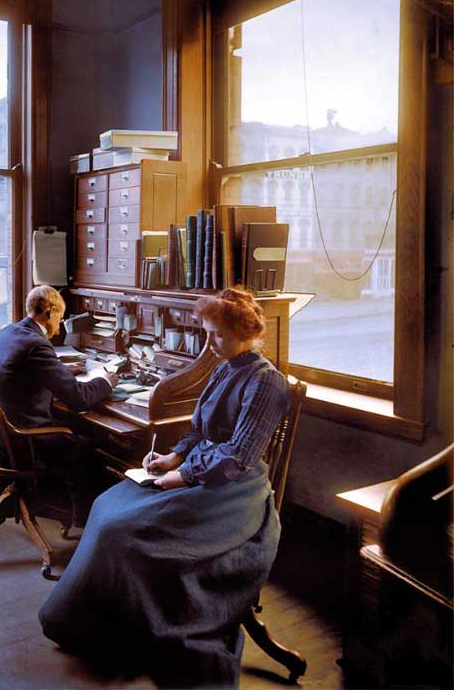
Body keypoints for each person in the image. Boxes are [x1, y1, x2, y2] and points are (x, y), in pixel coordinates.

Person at [37, 287, 289, 688]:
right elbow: (198, 429)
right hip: (200, 471)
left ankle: (132, 626)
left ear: (247, 333)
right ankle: (96, 623)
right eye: (206, 333)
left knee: (124, 529)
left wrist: (183, 475)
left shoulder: (266, 383)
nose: (209, 343)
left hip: (234, 493)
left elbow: (238, 456)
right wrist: (173, 457)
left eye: (217, 335)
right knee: (106, 506)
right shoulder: (224, 368)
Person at [0, 285, 118, 536]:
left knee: (74, 432)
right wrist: (107, 382)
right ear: (49, 312)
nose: (60, 323)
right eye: (60, 316)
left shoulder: (9, 332)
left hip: (1, 434)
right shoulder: (37, 344)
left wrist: (62, 371)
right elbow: (79, 398)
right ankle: (84, 523)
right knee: (90, 446)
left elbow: (27, 371)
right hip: (24, 438)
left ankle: (74, 510)